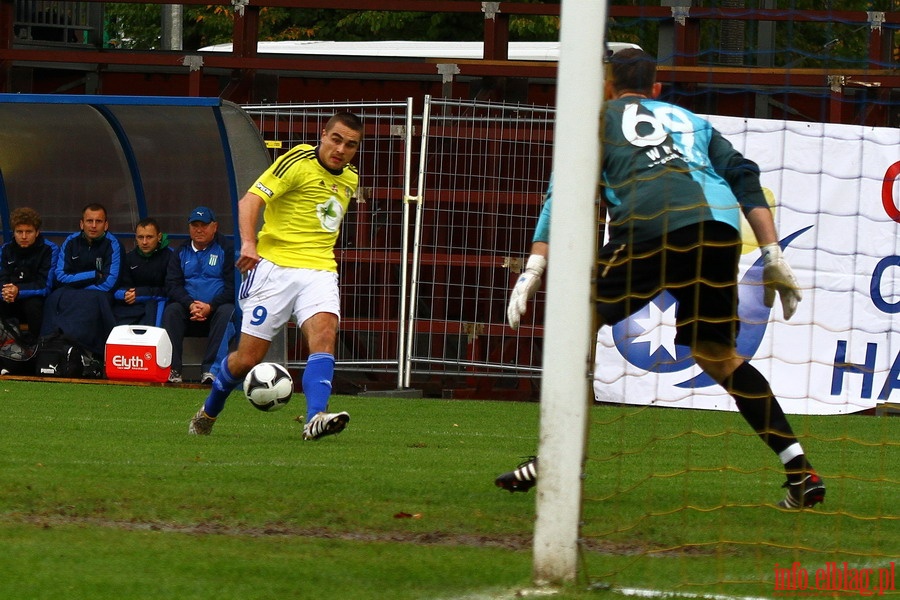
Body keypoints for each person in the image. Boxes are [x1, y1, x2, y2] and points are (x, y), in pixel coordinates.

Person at [495, 49, 825, 510]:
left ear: (608, 87)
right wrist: (771, 252)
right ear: (655, 89)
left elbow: (561, 193)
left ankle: (559, 458)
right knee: (717, 355)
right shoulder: (692, 120)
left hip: (652, 225)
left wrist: (534, 265)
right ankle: (799, 470)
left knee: (575, 329)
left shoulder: (598, 117)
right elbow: (744, 175)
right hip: (718, 232)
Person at [187, 112, 363, 439]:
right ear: (323, 135)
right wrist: (249, 244)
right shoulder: (296, 160)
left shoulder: (350, 178)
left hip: (320, 269)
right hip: (274, 268)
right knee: (248, 357)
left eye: (351, 145)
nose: (341, 149)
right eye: (336, 139)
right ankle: (209, 412)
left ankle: (315, 419)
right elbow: (250, 200)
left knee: (325, 334)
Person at [163, 207, 235, 384]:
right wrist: (190, 305)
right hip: (189, 309)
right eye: (195, 225)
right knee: (171, 310)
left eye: (204, 225)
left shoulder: (226, 249)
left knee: (228, 311)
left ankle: (211, 371)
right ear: (189, 228)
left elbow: (233, 286)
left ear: (215, 226)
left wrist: (210, 306)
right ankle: (173, 369)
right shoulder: (181, 251)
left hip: (215, 309)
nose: (199, 229)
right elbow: (172, 285)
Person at [41, 203, 122, 359]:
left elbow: (109, 282)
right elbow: (60, 276)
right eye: (89, 221)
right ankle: (48, 348)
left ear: (106, 225)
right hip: (72, 292)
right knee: (53, 298)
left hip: (98, 294)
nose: (93, 226)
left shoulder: (113, 244)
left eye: (98, 221)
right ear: (81, 223)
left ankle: (87, 351)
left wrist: (79, 284)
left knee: (94, 301)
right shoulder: (70, 241)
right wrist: (93, 275)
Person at [0, 207, 59, 344]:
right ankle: (6, 346)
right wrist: (6, 292)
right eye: (19, 232)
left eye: (29, 232)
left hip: (37, 301)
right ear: (13, 233)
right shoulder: (6, 249)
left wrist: (18, 291)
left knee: (33, 304)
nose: (24, 236)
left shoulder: (50, 249)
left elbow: (45, 285)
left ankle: (37, 347)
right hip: (11, 298)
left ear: (37, 232)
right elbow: (2, 278)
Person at [114, 218, 173, 326]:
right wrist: (125, 294)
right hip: (132, 305)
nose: (144, 242)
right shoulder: (129, 258)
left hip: (160, 305)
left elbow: (172, 290)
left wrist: (141, 293)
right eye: (140, 237)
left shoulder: (171, 257)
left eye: (149, 237)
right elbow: (119, 287)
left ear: (159, 237)